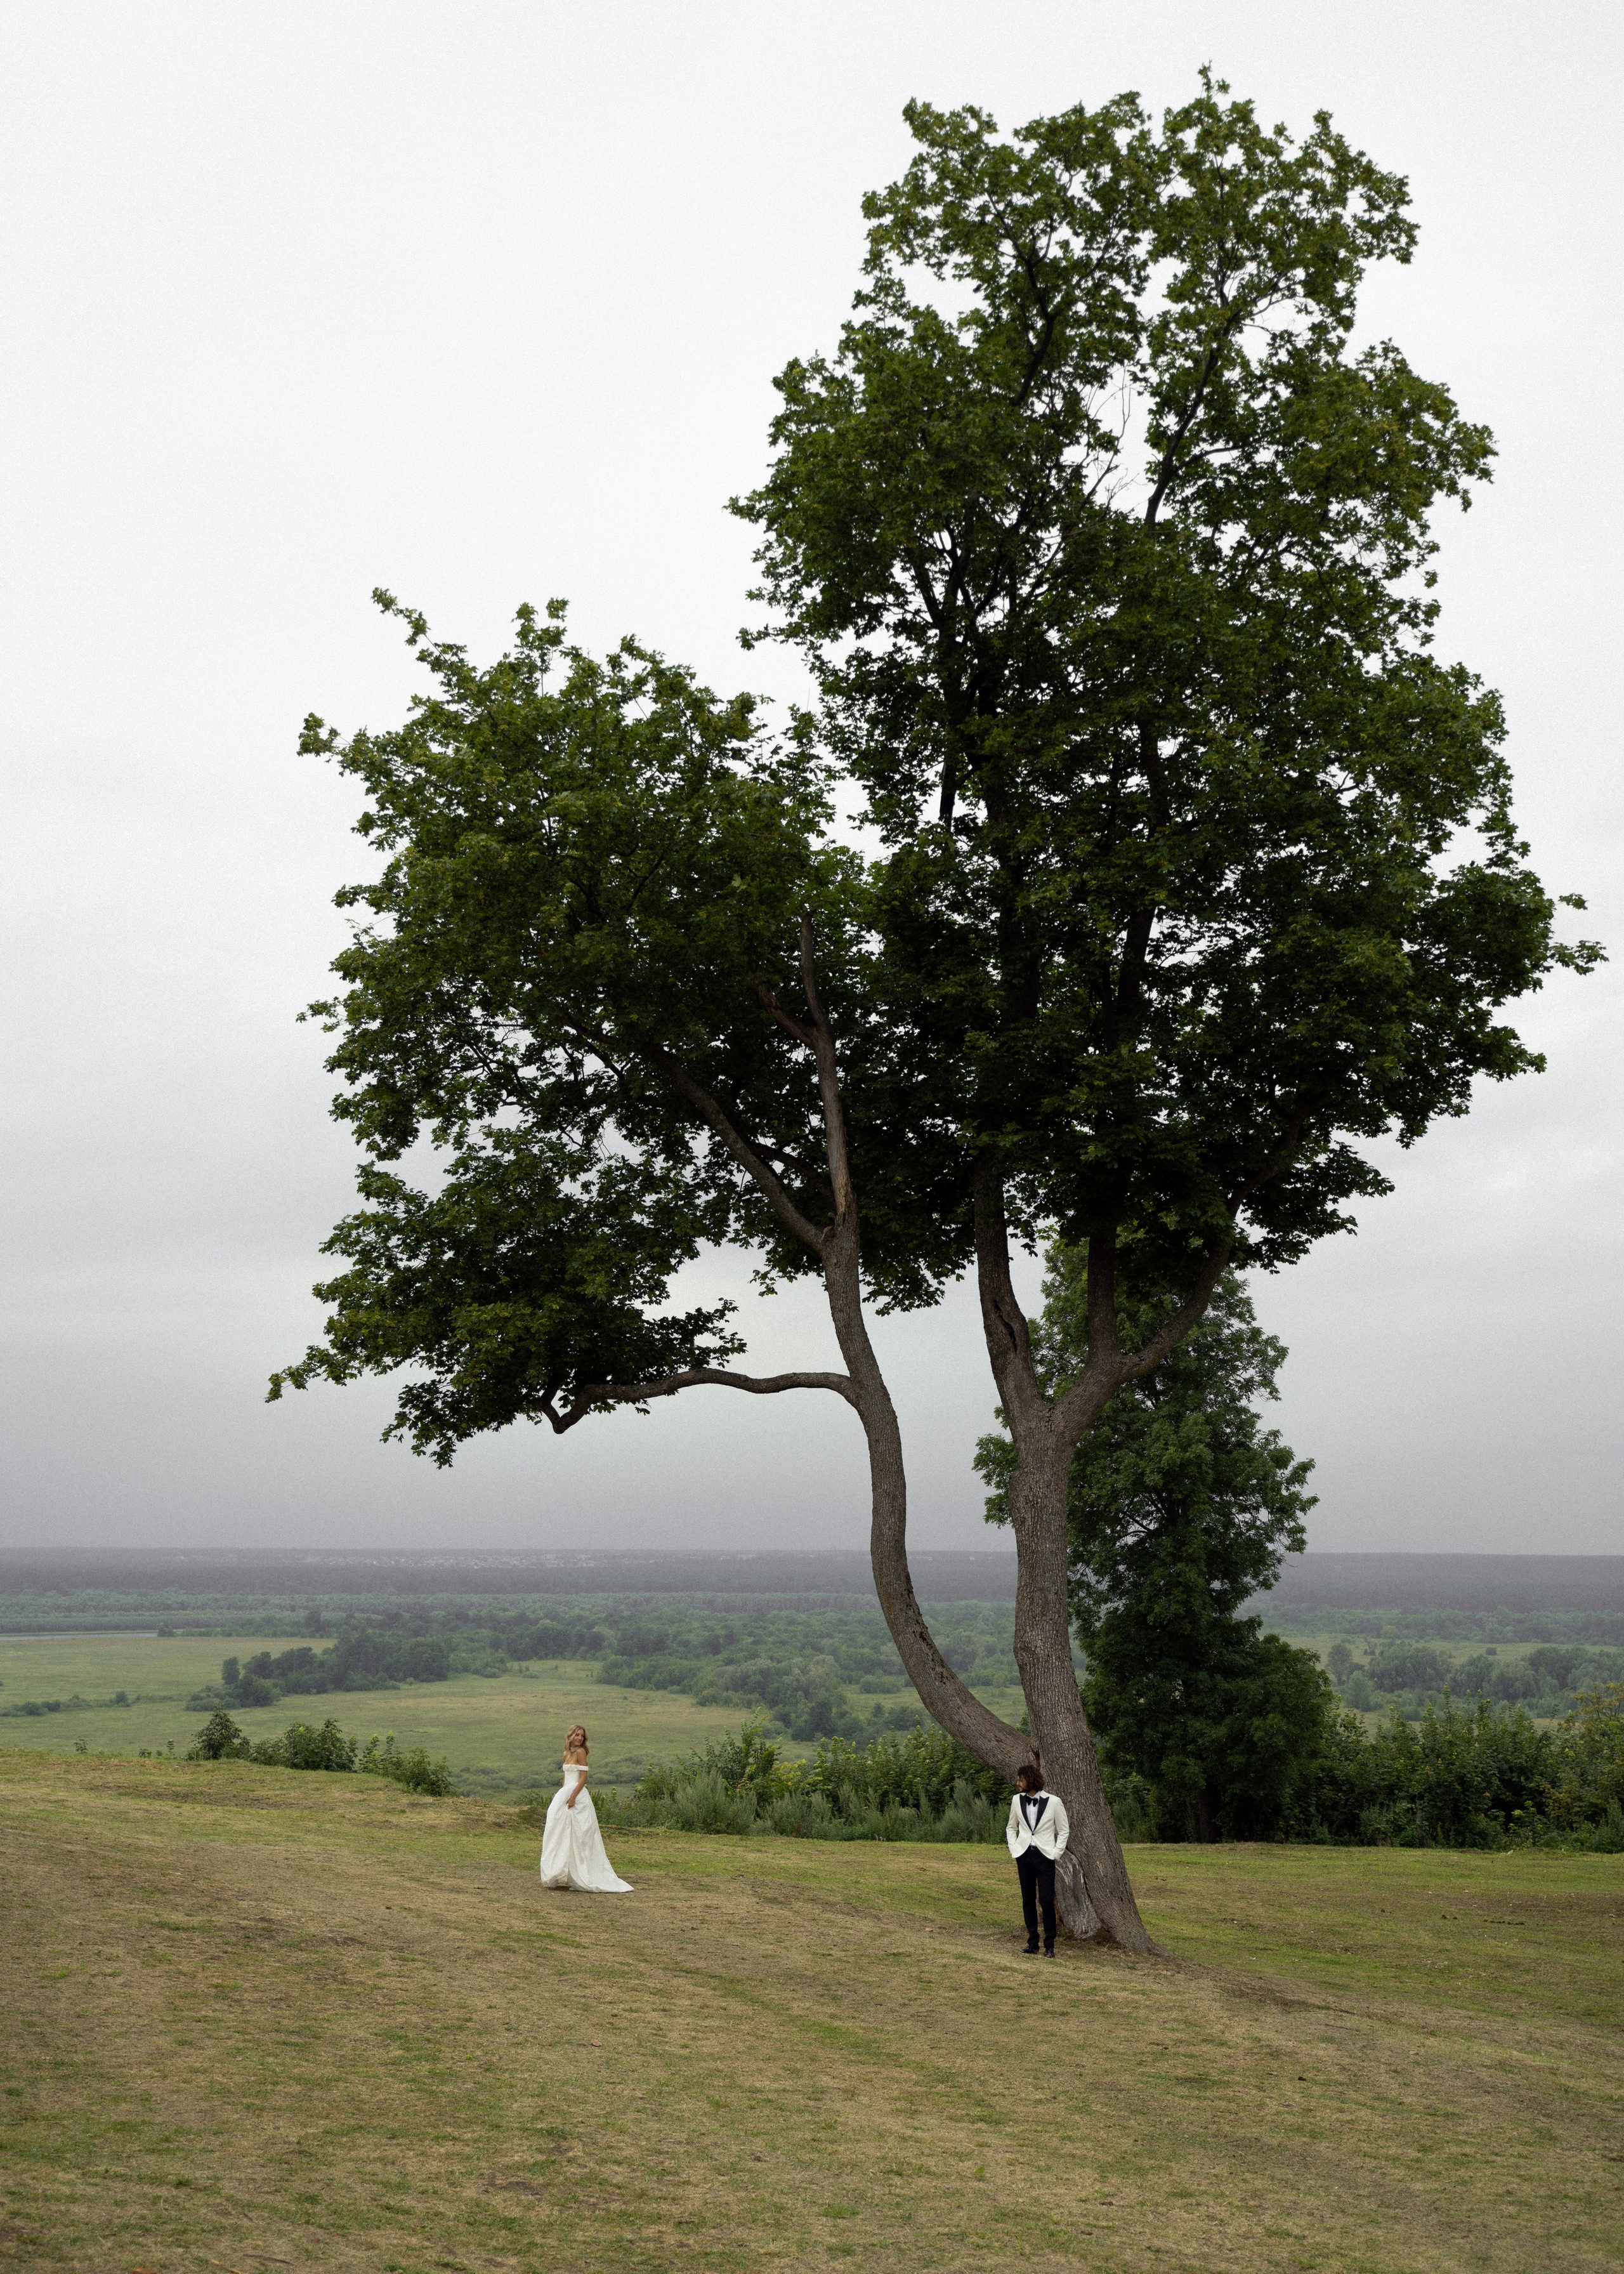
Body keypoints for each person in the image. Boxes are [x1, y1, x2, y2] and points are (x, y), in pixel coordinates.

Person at [539, 1723, 633, 1893]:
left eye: (582, 1736)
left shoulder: (581, 1753)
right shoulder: (567, 1754)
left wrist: (573, 1796)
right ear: (571, 1736)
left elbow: (584, 1777)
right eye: (577, 1735)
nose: (580, 1738)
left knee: (579, 1834)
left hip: (577, 1795)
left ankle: (581, 1873)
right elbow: (566, 1776)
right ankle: (561, 1871)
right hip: (565, 1793)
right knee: (558, 1831)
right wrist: (562, 1794)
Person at [1005, 1760, 1069, 1955]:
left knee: (1047, 1900)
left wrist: (1056, 1854)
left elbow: (1064, 1831)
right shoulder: (1017, 1800)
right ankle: (1032, 1942)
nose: (1018, 1783)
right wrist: (1014, 1848)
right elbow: (1011, 1827)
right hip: (1024, 1855)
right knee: (1028, 1899)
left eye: (1021, 1779)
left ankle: (1050, 1945)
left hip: (1045, 1856)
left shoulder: (1054, 1802)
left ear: (1031, 1779)